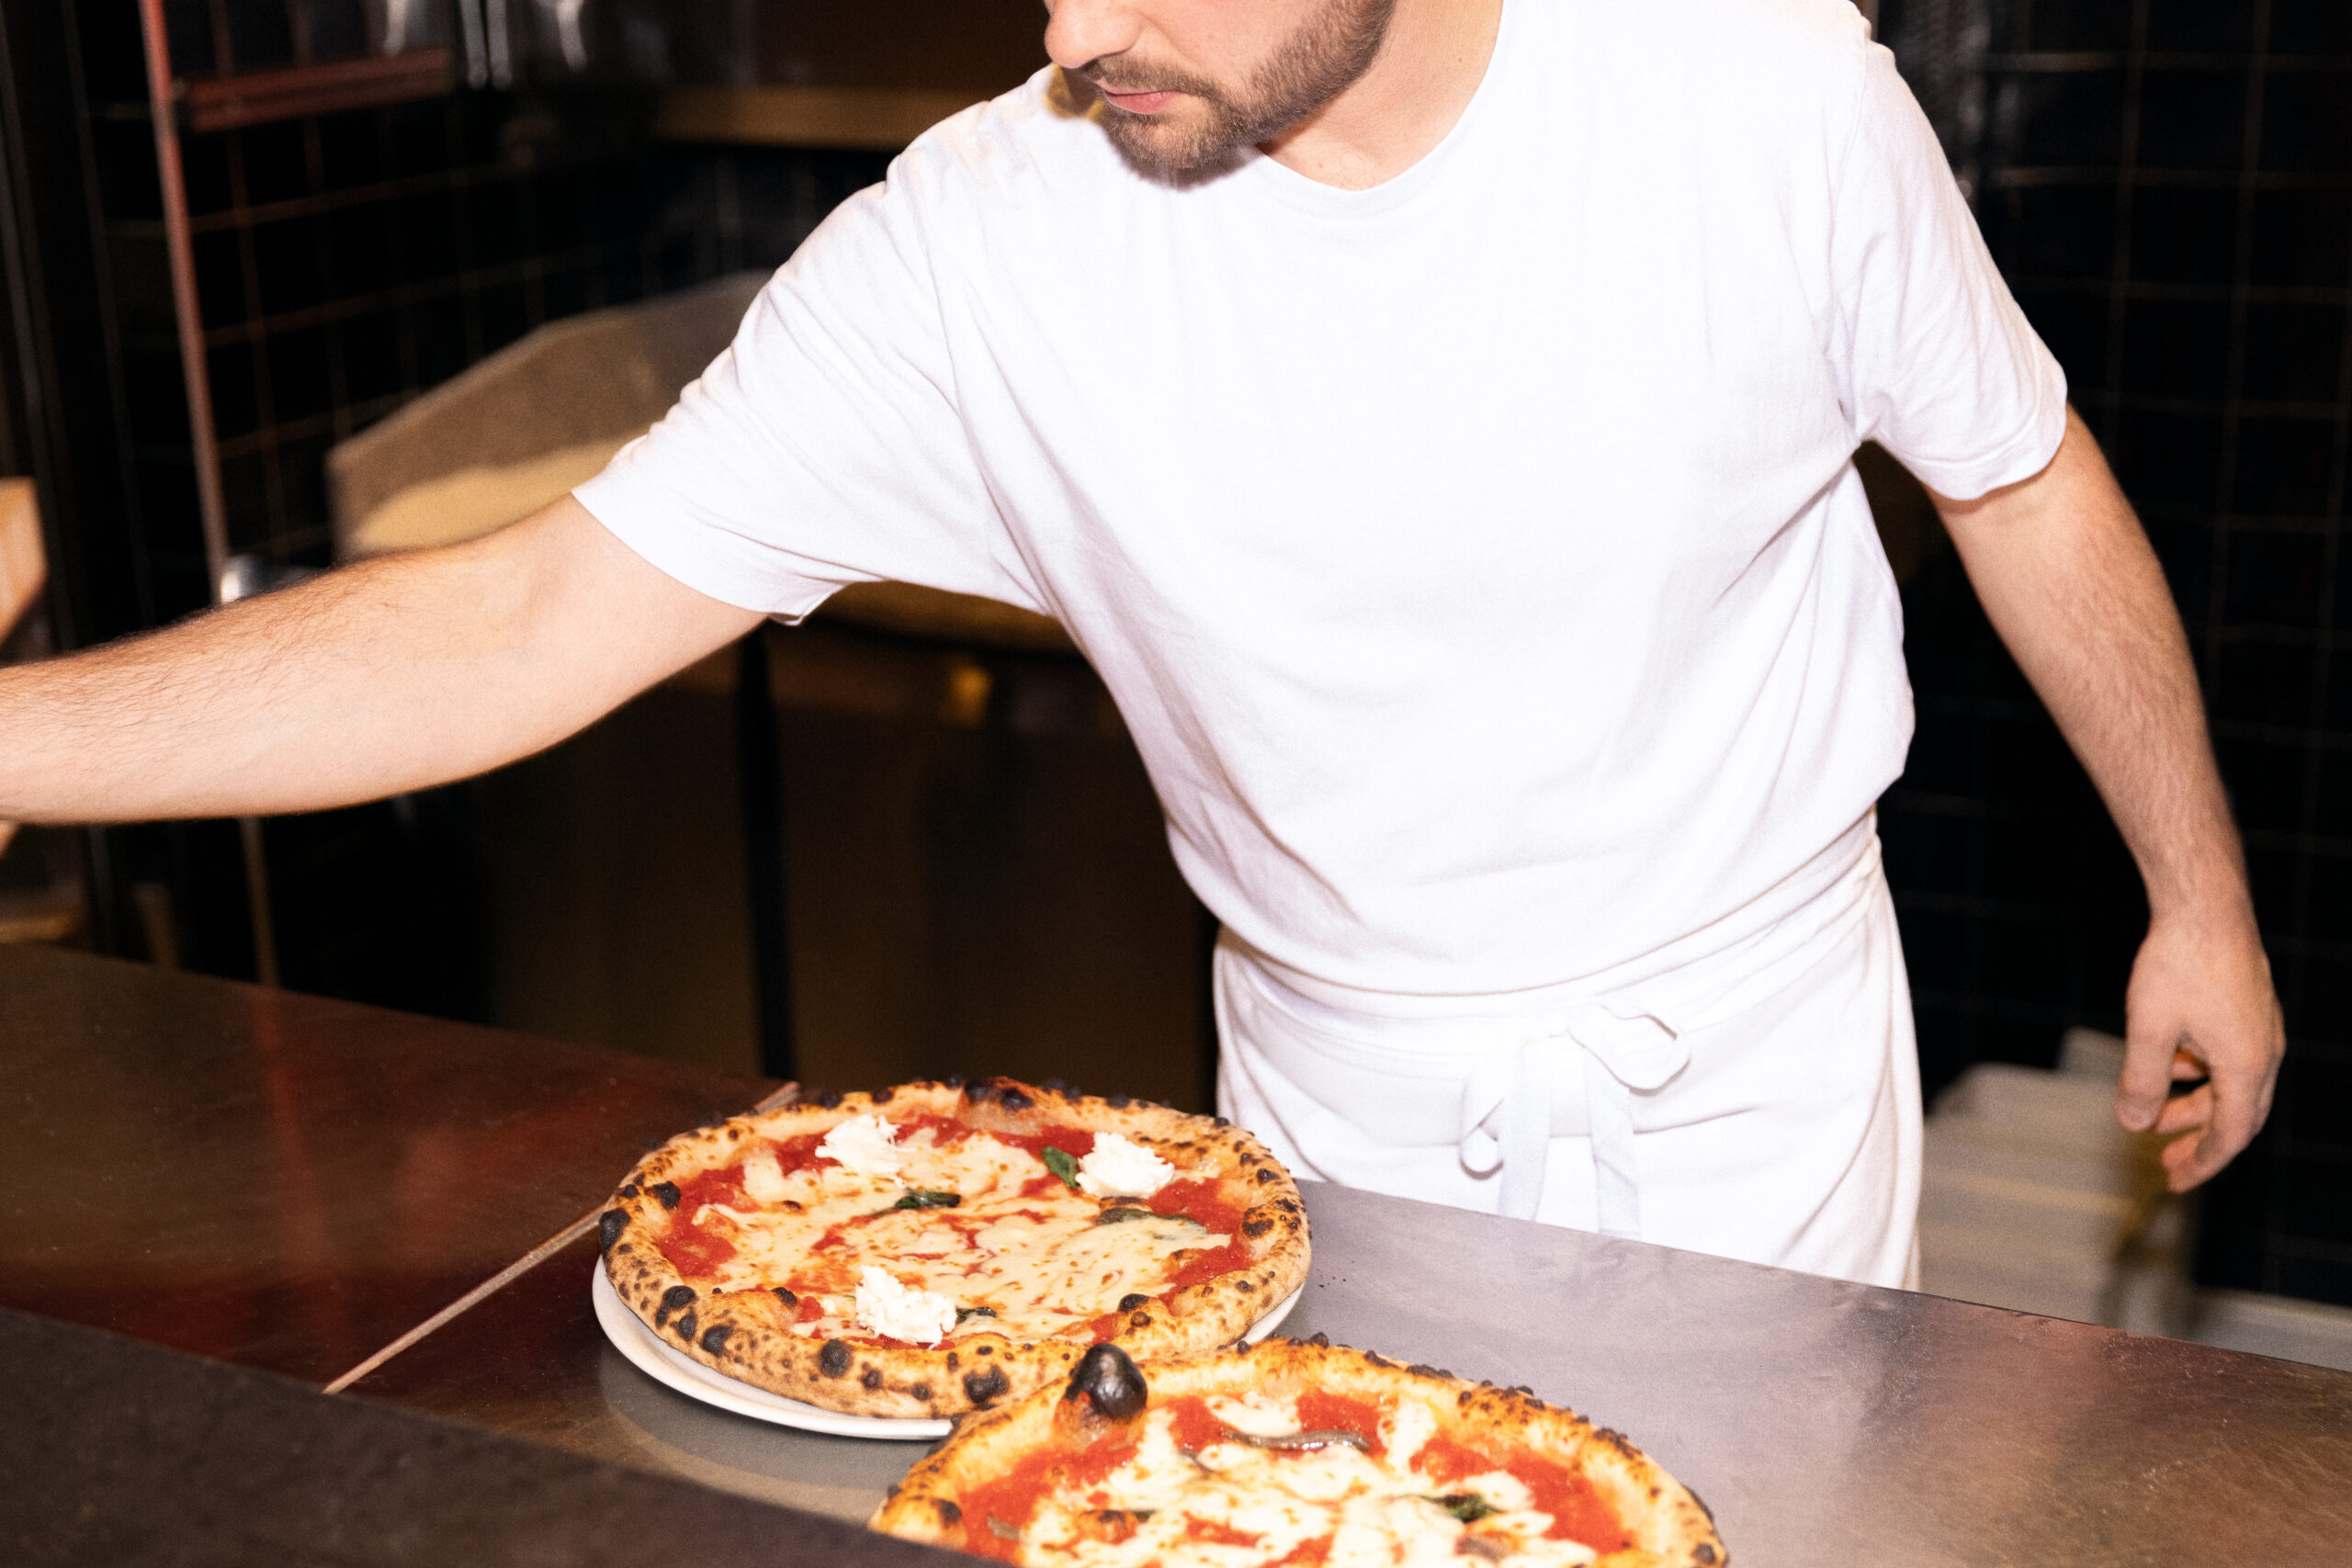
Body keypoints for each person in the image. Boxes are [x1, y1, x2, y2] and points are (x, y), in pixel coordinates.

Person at [0, 0, 2281, 1287]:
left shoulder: (1749, 85)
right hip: (1334, 1130)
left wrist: (2195, 895)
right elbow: (525, 615)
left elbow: (2016, 471)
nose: (1083, 36)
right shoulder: (987, 242)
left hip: (1760, 1075)